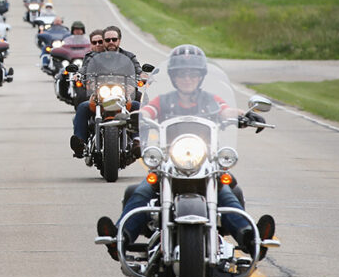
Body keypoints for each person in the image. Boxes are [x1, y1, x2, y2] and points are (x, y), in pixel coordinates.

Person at [95, 44, 274, 261]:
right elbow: (148, 111)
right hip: (169, 162)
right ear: (173, 76)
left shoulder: (210, 100)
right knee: (141, 192)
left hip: (205, 162)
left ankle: (250, 238)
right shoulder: (164, 100)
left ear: (200, 76)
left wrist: (246, 115)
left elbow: (227, 110)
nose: (187, 78)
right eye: (182, 74)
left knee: (226, 194)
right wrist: (133, 116)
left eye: (192, 74)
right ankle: (120, 238)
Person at [70, 25, 142, 157]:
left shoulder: (129, 57)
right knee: (83, 107)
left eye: (114, 39)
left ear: (119, 40)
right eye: (108, 40)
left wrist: (142, 76)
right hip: (100, 95)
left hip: (122, 95)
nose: (111, 42)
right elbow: (85, 70)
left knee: (137, 106)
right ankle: (80, 143)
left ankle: (138, 141)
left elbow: (137, 70)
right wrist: (80, 75)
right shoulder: (93, 58)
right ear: (103, 41)